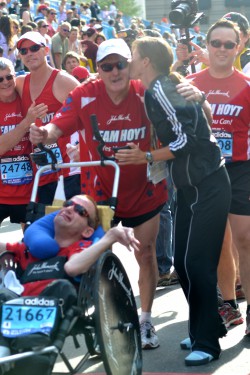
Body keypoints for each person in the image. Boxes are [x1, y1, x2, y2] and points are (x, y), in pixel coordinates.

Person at [29, 38, 168, 350]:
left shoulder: (145, 92)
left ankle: (145, 319)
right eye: (107, 66)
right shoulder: (83, 94)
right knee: (98, 255)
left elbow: (185, 110)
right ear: (98, 69)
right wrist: (44, 135)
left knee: (145, 253)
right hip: (100, 191)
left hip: (144, 188)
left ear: (129, 66)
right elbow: (57, 128)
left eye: (120, 64)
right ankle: (106, 317)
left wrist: (196, 97)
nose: (115, 71)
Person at [117, 36, 231, 366]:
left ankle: (208, 342)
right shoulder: (158, 89)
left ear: (147, 61)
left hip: (208, 184)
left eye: (133, 56)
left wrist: (147, 156)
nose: (129, 61)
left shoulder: (161, 90)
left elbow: (190, 138)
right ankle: (204, 329)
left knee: (197, 263)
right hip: (189, 188)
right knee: (182, 262)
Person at [0, 194, 139, 374]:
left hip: (49, 314)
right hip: (14, 309)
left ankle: (18, 353)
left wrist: (109, 237)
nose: (69, 209)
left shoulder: (79, 248)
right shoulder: (30, 248)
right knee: (3, 295)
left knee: (62, 287)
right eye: (68, 204)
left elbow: (72, 268)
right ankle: (3, 351)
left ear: (88, 231)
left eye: (80, 211)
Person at [176, 19, 250, 338]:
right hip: (203, 171)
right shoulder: (189, 81)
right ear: (206, 46)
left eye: (228, 44)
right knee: (216, 244)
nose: (221, 49)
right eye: (215, 43)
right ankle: (228, 308)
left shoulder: (247, 85)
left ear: (239, 47)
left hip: (240, 168)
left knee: (245, 239)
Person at [15, 31, 80, 205]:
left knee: (72, 226)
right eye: (24, 51)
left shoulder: (63, 81)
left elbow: (90, 113)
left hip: (69, 170)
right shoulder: (20, 84)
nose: (29, 53)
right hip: (43, 171)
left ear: (45, 50)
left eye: (34, 48)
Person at [0, 57, 47, 230]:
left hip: (30, 190)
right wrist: (26, 122)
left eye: (9, 77)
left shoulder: (27, 98)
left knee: (33, 244)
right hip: (1, 193)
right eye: (0, 79)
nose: (5, 82)